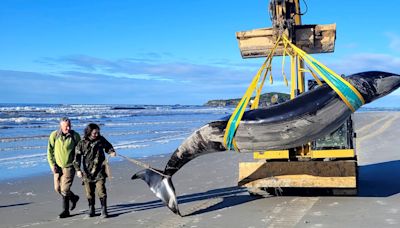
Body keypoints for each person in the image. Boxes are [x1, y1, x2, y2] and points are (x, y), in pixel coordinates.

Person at [73, 123, 116, 218]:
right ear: (89, 132)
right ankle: (91, 209)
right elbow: (77, 158)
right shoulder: (82, 143)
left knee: (101, 190)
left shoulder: (101, 139)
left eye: (98, 132)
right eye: (95, 133)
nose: (97, 134)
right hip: (87, 173)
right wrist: (78, 170)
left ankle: (104, 210)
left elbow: (108, 147)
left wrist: (111, 151)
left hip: (100, 170)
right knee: (89, 192)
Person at [47, 117, 81, 218]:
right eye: (66, 126)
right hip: (57, 167)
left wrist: (78, 167)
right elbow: (49, 151)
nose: (68, 128)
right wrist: (52, 165)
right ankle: (74, 198)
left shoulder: (75, 136)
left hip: (69, 166)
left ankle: (65, 211)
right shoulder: (54, 135)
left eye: (70, 125)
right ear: (60, 126)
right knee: (57, 188)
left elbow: (79, 153)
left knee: (65, 189)